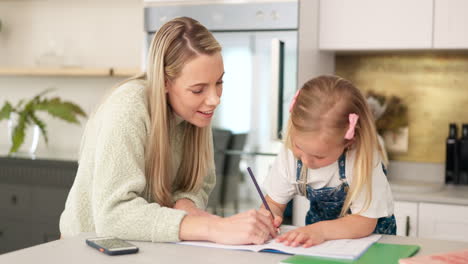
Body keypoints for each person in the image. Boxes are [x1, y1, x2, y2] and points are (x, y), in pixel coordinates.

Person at [59, 17, 277, 245]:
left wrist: (186, 202)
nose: (214, 100)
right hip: (86, 249)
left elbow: (200, 184)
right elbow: (113, 215)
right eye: (198, 90)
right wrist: (213, 227)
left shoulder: (194, 112)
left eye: (219, 83)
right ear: (164, 82)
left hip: (142, 248)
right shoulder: (128, 107)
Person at [263, 75, 396, 248]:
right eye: (298, 148)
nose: (306, 161)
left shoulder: (361, 160)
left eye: (319, 156)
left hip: (372, 244)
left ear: (349, 141)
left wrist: (319, 231)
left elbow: (364, 222)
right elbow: (274, 203)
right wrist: (266, 219)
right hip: (322, 243)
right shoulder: (289, 154)